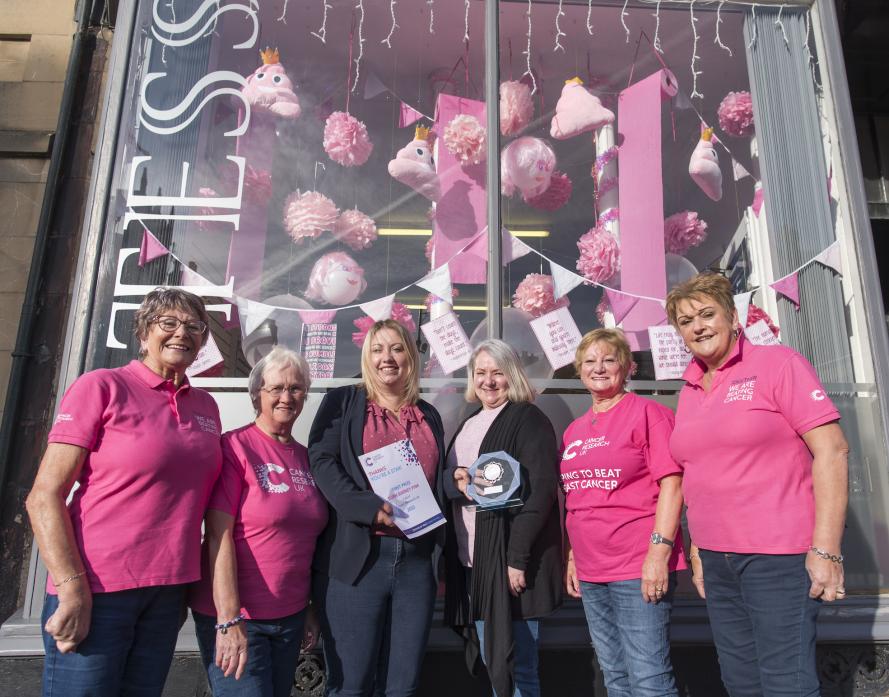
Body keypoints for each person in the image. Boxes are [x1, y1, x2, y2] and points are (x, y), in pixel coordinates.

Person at [26, 287, 223, 697]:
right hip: (98, 590)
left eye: (194, 327)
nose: (181, 334)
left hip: (168, 593)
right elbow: (43, 496)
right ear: (143, 331)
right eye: (168, 323)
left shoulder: (206, 406)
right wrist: (71, 586)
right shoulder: (102, 386)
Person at [666, 272, 849, 697]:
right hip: (717, 558)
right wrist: (696, 547)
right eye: (686, 321)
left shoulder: (778, 364)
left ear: (733, 317)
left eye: (707, 314)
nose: (698, 327)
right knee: (741, 681)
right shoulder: (690, 388)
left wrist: (826, 549)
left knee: (786, 683)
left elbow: (833, 451)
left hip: (777, 557)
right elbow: (699, 471)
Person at [307, 319, 446, 697]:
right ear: (367, 357)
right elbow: (321, 461)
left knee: (403, 685)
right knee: (351, 684)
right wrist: (366, 506)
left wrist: (459, 480)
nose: (388, 358)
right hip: (359, 560)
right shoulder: (344, 402)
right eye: (377, 349)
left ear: (411, 357)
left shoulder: (428, 415)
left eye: (397, 348)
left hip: (417, 563)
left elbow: (437, 480)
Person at [189, 346, 328, 696]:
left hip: (291, 615)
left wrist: (310, 607)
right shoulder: (234, 448)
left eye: (296, 389)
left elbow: (310, 542)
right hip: (241, 618)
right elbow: (217, 536)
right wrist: (229, 618)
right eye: (276, 388)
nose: (286, 397)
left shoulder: (307, 458)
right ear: (256, 394)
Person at [561, 328, 685, 697]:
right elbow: (577, 496)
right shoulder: (574, 431)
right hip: (591, 569)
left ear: (627, 367)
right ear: (579, 370)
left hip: (637, 565)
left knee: (649, 679)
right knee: (614, 676)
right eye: (589, 361)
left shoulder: (650, 414)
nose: (599, 368)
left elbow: (673, 485)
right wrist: (573, 556)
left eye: (609, 359)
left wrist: (658, 554)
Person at [444, 339, 562, 697]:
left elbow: (540, 493)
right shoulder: (469, 423)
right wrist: (455, 480)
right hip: (473, 565)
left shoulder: (529, 419)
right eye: (480, 373)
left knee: (517, 667)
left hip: (510, 565)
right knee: (495, 666)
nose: (488, 381)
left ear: (512, 375)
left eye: (497, 372)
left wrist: (516, 557)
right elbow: (453, 481)